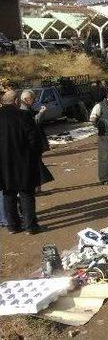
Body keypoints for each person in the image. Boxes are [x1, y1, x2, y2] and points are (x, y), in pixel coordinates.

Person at [0, 90, 45, 234]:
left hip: (3, 163)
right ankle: (30, 226)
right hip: (23, 161)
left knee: (8, 193)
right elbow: (34, 140)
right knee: (26, 194)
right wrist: (34, 155)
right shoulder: (23, 115)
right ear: (16, 101)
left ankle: (12, 226)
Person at [19, 90, 54, 189]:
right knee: (36, 165)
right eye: (32, 99)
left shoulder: (27, 108)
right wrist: (41, 113)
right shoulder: (24, 110)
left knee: (36, 165)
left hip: (33, 142)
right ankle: (36, 187)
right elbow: (34, 123)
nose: (34, 101)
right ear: (26, 99)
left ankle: (37, 187)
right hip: (31, 143)